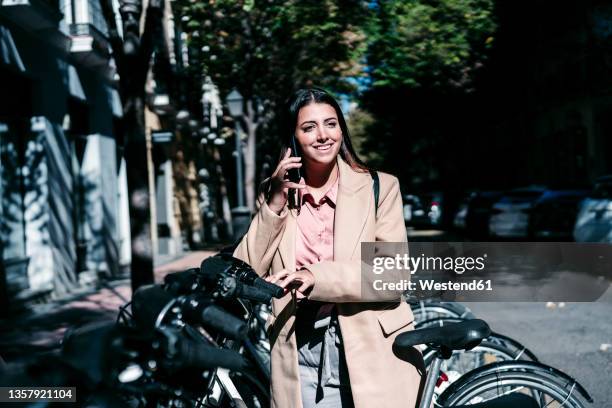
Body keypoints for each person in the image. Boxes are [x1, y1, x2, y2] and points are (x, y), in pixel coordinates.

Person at [233, 88, 422, 408]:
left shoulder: (380, 187)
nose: (322, 135)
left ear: (342, 130)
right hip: (300, 347)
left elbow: (394, 275)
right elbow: (246, 268)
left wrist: (315, 277)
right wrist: (275, 204)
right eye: (309, 127)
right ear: (293, 138)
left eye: (330, 124)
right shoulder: (275, 194)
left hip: (371, 346)